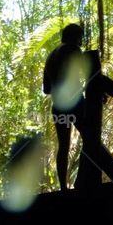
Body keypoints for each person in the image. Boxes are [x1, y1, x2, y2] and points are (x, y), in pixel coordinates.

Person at [42, 23, 101, 191]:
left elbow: (46, 89)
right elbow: (87, 73)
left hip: (58, 106)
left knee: (64, 146)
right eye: (80, 37)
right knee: (90, 138)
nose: (81, 41)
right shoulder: (74, 50)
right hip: (75, 102)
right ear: (75, 37)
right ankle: (84, 180)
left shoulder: (50, 57)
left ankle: (63, 187)